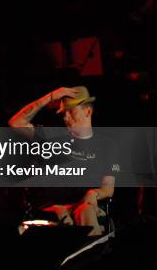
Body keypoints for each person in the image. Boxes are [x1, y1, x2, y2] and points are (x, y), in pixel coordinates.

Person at [9, 86, 119, 236]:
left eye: (71, 111)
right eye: (64, 113)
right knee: (62, 215)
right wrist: (50, 97)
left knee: (85, 211)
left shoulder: (108, 145)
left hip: (85, 206)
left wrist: (94, 193)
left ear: (88, 111)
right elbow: (15, 123)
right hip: (52, 208)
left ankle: (94, 252)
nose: (66, 117)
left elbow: (108, 188)